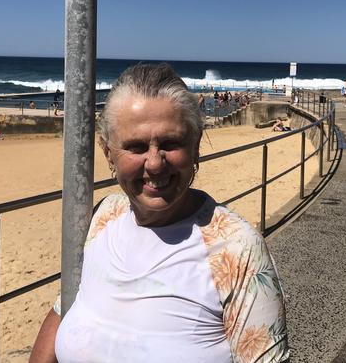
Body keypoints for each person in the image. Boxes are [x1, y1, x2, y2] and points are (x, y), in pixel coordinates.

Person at [30, 63, 289, 363]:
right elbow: (65, 308)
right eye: (136, 146)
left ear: (195, 146)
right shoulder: (104, 216)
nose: (154, 163)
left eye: (170, 143)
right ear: (107, 152)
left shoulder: (237, 249)